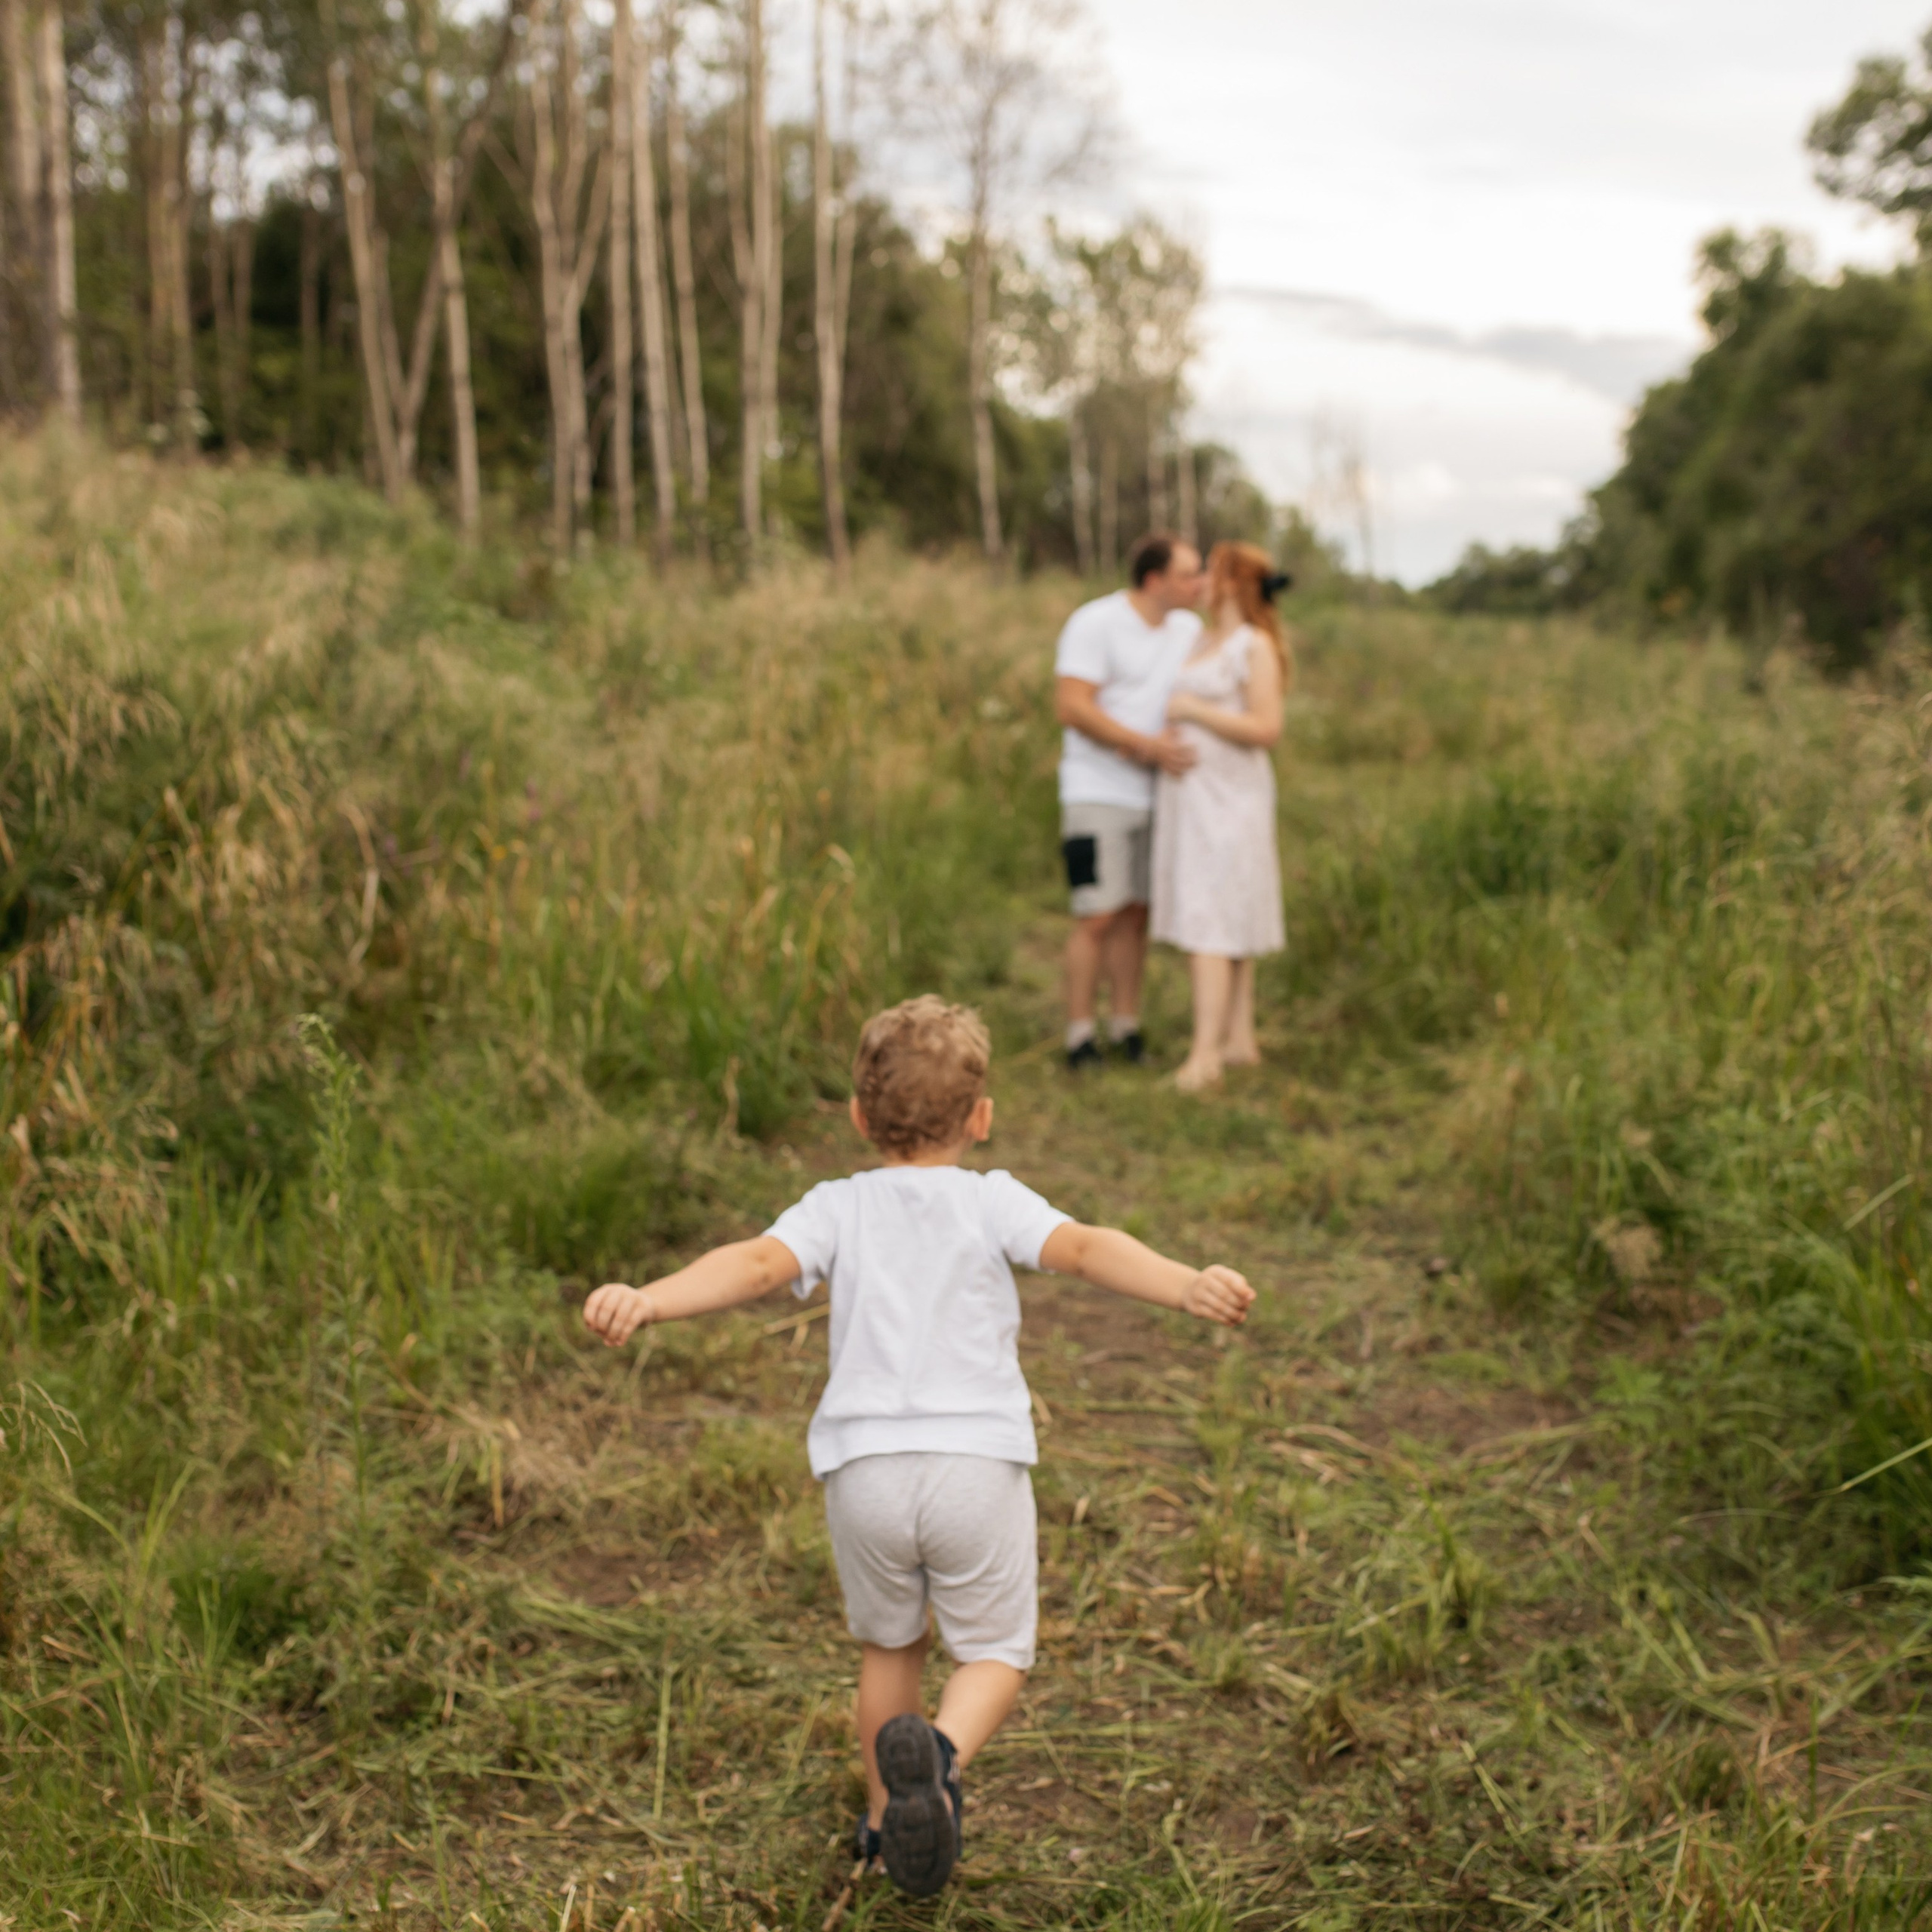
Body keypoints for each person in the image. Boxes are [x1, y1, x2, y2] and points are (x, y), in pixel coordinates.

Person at [581, 995, 1255, 1898]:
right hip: (973, 1466)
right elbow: (1088, 1249)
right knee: (994, 1653)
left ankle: (879, 1825)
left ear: (858, 1118)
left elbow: (749, 1265)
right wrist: (1186, 1284)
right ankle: (937, 1763)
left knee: (889, 1650)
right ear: (980, 1118)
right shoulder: (991, 1200)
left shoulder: (835, 1207)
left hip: (863, 1474)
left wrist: (650, 1296)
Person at [1053, 532, 1205, 1070]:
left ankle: (1125, 1025)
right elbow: (1072, 707)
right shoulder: (1095, 623)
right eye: (1190, 574)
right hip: (1097, 793)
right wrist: (1145, 746)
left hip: (1159, 796)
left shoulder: (1189, 629)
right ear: (1154, 579)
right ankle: (1079, 1035)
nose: (1200, 583)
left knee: (1136, 915)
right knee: (1096, 913)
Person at [1149, 541, 1293, 1092]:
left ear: (1233, 583)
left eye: (1211, 570)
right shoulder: (1202, 638)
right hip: (1193, 799)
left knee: (1213, 916)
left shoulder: (1253, 646)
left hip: (1232, 800)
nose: (1202, 579)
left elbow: (1266, 728)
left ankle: (1204, 1053)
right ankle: (1238, 1039)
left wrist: (1193, 711)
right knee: (1220, 909)